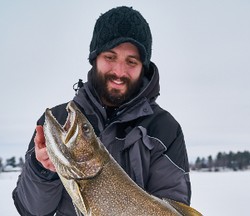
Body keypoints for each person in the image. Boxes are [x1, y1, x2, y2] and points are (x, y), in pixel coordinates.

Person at [13, 6, 191, 216]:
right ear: (95, 58)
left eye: (131, 61)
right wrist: (41, 169)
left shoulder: (164, 129)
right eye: (110, 57)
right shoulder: (60, 121)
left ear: (143, 67)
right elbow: (31, 211)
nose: (119, 71)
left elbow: (173, 203)